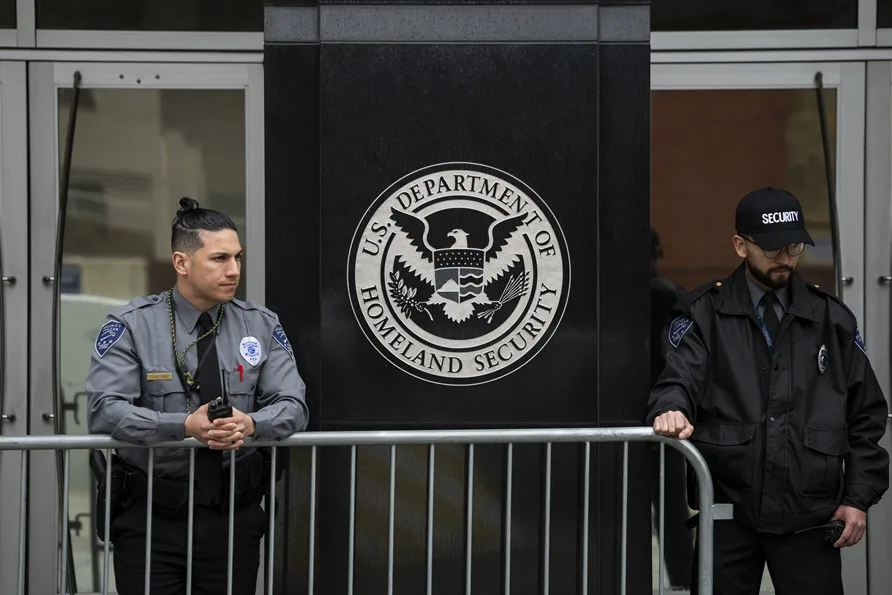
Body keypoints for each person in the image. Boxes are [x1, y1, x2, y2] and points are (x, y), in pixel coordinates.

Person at [646, 187, 889, 595]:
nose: (785, 258)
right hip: (728, 511)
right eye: (773, 248)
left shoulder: (832, 320)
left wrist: (857, 498)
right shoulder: (704, 313)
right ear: (740, 246)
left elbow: (866, 416)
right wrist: (671, 408)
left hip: (810, 515)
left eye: (794, 247)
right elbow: (677, 378)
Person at [86, 197, 309, 595]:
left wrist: (251, 423)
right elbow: (105, 410)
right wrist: (185, 426)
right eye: (220, 258)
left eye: (238, 257)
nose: (234, 270)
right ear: (181, 262)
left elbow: (293, 405)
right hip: (152, 518)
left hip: (232, 518)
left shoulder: (259, 325)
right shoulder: (133, 325)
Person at [648, 228, 693, 590]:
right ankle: (683, 581)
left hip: (651, 418)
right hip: (666, 419)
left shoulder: (606, 294)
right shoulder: (672, 295)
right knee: (671, 511)